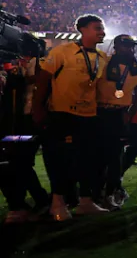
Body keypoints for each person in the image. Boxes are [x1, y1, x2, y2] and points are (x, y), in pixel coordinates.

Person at [34, 14, 109, 215]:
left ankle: (85, 201)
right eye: (97, 28)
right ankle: (58, 203)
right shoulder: (62, 51)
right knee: (61, 159)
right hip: (62, 113)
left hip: (89, 115)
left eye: (102, 28)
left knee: (88, 159)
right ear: (82, 29)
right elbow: (43, 81)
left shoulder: (102, 57)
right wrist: (38, 108)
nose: (102, 32)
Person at [95, 34, 137, 209]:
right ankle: (95, 191)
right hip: (98, 111)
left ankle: (111, 191)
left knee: (115, 155)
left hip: (119, 114)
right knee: (97, 154)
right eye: (125, 46)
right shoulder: (103, 62)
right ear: (116, 46)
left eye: (132, 46)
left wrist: (129, 112)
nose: (129, 49)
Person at [0, 55, 49, 222]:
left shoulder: (18, 75)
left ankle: (20, 205)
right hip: (14, 126)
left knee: (18, 163)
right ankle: (29, 202)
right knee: (18, 163)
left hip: (17, 127)